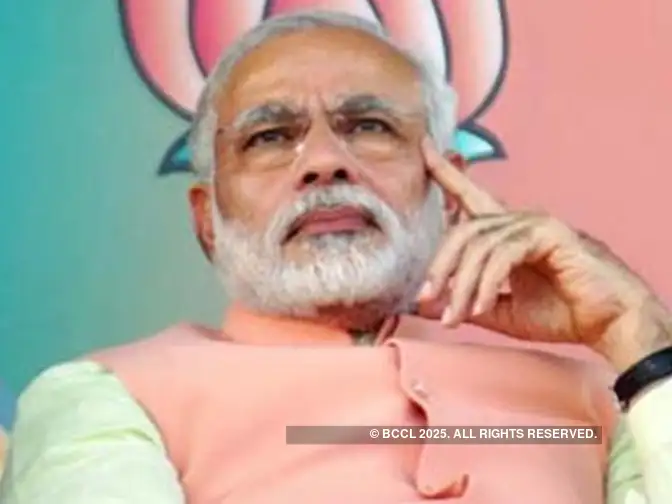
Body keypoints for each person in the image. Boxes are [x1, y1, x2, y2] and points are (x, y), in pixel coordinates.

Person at [1, 10, 671, 503]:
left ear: (446, 190)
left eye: (369, 127)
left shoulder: (601, 402)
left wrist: (637, 339)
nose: (323, 161)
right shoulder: (112, 396)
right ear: (207, 219)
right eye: (270, 136)